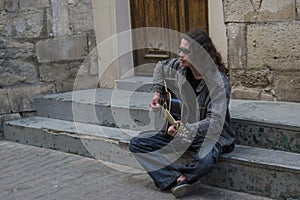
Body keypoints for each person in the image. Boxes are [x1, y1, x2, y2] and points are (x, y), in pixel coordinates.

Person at [129, 29, 235, 198]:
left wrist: (185, 129)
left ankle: (179, 178)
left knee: (204, 160)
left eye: (185, 51)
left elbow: (215, 122)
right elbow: (160, 67)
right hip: (182, 131)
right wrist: (157, 93)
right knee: (138, 143)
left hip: (210, 135)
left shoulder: (218, 82)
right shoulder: (179, 66)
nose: (180, 54)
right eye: (180, 49)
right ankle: (178, 178)